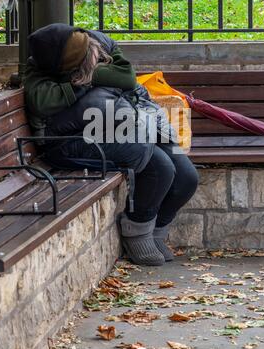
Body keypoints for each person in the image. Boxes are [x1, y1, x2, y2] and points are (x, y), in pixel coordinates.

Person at [24, 23, 199, 267]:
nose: (98, 55)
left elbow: (126, 77)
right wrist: (89, 80)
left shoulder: (99, 41)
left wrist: (87, 76)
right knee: (161, 168)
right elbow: (41, 101)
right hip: (90, 133)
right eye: (91, 58)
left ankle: (157, 231)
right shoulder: (44, 62)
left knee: (187, 178)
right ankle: (137, 231)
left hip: (133, 118)